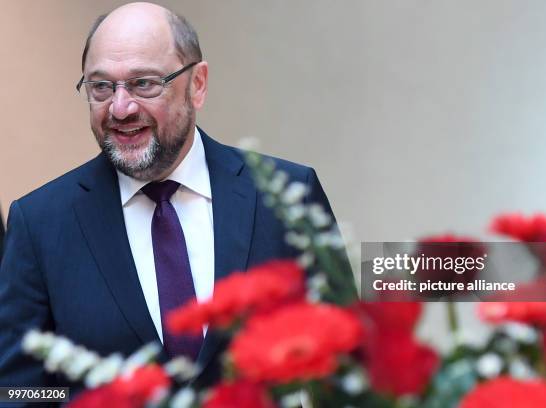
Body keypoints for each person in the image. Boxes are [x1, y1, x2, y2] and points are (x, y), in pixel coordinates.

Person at [0, 2, 347, 391]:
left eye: (144, 83)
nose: (120, 107)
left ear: (197, 85)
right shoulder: (41, 223)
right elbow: (18, 390)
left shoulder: (286, 198)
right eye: (100, 87)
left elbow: (348, 365)